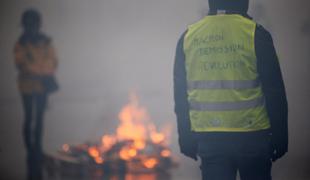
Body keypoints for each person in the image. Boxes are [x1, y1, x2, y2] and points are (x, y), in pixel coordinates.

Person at [173, 0, 288, 179]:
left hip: (210, 139)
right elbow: (274, 91)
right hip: (253, 137)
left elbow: (181, 94)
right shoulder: (255, 33)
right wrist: (281, 135)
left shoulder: (188, 37)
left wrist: (185, 136)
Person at [14, 9, 58, 180]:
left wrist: (42, 72)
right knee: (28, 117)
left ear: (38, 25)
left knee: (39, 117)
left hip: (41, 86)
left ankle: (37, 148)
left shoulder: (46, 42)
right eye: (29, 24)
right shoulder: (21, 43)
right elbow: (21, 63)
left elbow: (53, 60)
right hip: (27, 86)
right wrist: (42, 72)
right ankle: (30, 149)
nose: (32, 27)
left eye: (35, 24)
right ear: (25, 26)